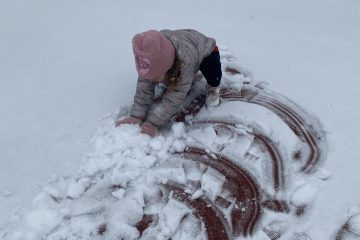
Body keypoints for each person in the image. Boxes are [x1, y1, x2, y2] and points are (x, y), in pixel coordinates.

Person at [116, 29, 222, 137]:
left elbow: (173, 99)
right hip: (179, 49)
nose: (154, 80)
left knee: (212, 72)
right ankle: (173, 78)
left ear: (169, 66)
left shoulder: (184, 65)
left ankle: (214, 88)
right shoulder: (147, 62)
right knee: (158, 80)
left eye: (157, 77)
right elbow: (143, 90)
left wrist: (153, 123)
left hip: (206, 49)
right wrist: (136, 116)